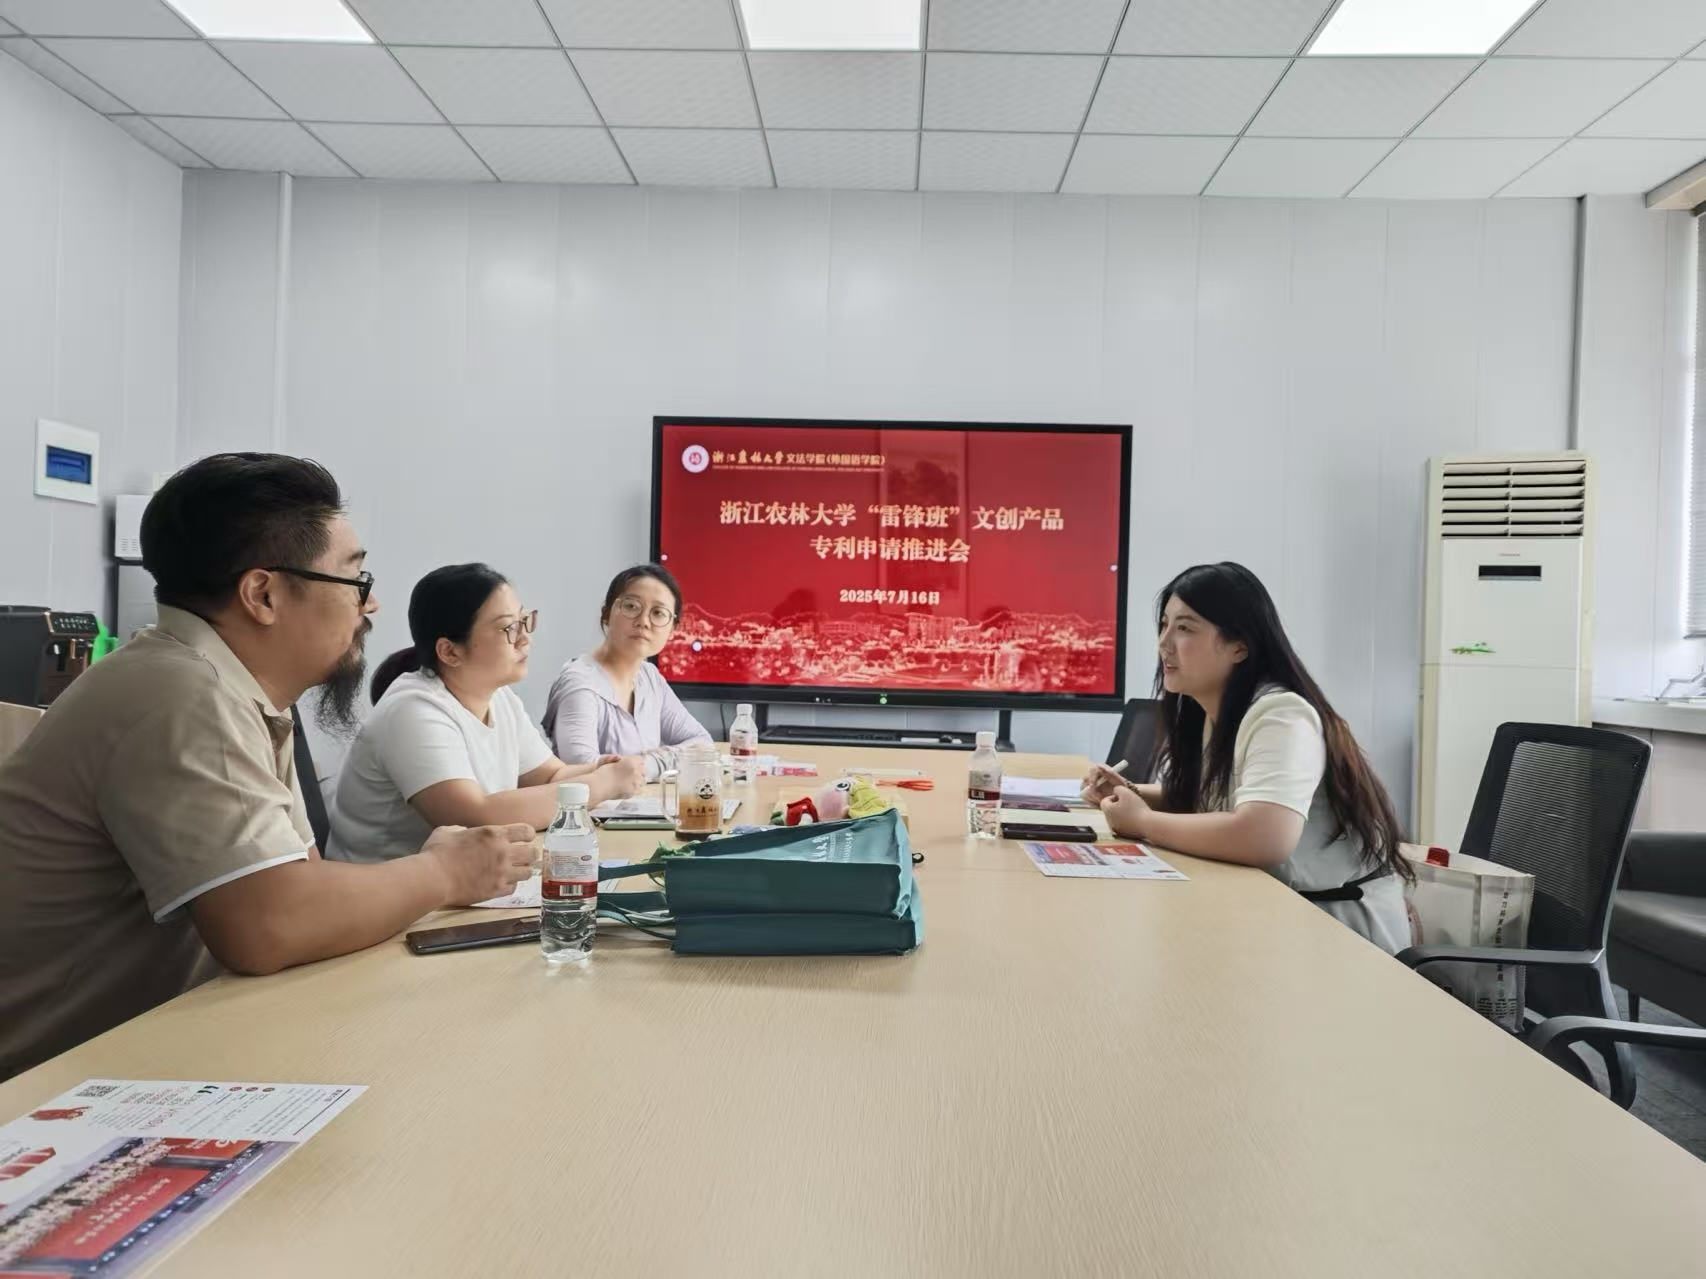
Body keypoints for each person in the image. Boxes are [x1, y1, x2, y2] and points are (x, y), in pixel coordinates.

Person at [0, 454, 537, 1081]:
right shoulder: (182, 695)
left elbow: (301, 888)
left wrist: (438, 870)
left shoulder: (235, 693)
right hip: (46, 1086)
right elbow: (271, 925)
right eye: (355, 580)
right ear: (263, 595)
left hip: (158, 1045)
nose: (371, 605)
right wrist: (444, 872)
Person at [1083, 562, 1412, 953]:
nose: (1165, 643)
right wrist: (1131, 792)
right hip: (1275, 911)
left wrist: (1143, 822)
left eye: (1185, 628)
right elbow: (1217, 800)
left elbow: (1264, 836)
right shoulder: (1213, 711)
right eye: (1164, 625)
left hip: (1338, 935)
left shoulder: (1280, 714)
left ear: (1240, 646)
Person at [326, 564, 646, 863]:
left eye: (524, 621)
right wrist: (602, 784)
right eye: (508, 628)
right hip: (385, 895)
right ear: (450, 651)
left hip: (457, 886)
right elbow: (474, 819)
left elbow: (549, 776)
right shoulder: (412, 710)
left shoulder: (499, 698)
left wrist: (600, 768)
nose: (525, 638)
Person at [542, 564, 713, 781]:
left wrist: (648, 764)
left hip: (648, 802)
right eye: (631, 606)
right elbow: (582, 769)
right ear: (606, 614)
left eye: (658, 613)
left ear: (672, 628)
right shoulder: (579, 685)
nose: (643, 622)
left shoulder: (649, 677)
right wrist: (666, 760)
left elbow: (703, 743)